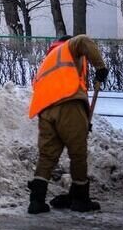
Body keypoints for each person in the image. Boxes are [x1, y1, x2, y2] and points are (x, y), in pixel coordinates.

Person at [27, 34, 108, 214]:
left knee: (47, 156)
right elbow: (84, 40)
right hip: (68, 104)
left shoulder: (47, 62)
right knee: (77, 152)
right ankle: (80, 198)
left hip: (46, 110)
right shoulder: (69, 48)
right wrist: (100, 67)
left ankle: (37, 200)